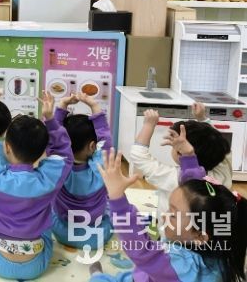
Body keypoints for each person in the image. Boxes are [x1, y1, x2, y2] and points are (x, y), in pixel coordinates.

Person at [91, 132, 246, 282]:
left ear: (200, 236)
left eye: (172, 214)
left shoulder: (180, 267)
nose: (164, 215)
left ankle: (97, 276)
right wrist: (188, 157)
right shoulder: (216, 245)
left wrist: (118, 199)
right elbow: (194, 196)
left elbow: (142, 250)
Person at [0, 84, 73, 280]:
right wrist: (51, 119)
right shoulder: (49, 180)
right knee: (47, 218)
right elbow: (64, 154)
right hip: (38, 263)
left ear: (7, 147)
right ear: (42, 152)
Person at [130, 103, 232, 217]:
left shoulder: (173, 177)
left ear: (180, 153)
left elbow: (139, 155)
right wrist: (202, 119)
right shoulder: (222, 175)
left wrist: (148, 125)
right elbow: (221, 145)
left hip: (171, 227)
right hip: (205, 227)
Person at [52, 92, 113, 249]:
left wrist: (63, 105)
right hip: (96, 235)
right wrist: (94, 105)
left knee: (47, 209)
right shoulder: (101, 166)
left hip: (62, 232)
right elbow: (105, 139)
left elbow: (53, 137)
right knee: (115, 209)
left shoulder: (56, 166)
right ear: (92, 146)